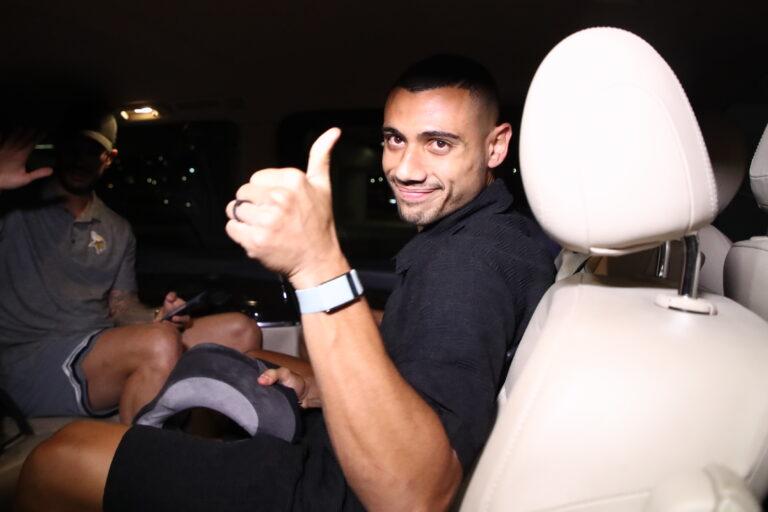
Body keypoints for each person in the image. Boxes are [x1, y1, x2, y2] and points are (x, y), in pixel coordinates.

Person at [15, 55, 554, 511]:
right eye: (395, 140)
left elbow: (413, 495)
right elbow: (424, 359)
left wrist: (317, 263)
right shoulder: (483, 236)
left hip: (331, 486)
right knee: (236, 361)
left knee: (59, 456)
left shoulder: (472, 261)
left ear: (495, 146)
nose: (406, 169)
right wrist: (320, 391)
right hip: (344, 453)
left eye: (438, 143)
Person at [0, 115, 262, 425]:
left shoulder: (116, 228)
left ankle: (204, 445)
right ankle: (138, 455)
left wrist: (159, 314)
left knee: (240, 330)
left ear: (108, 159)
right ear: (59, 149)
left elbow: (121, 306)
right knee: (159, 342)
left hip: (97, 346)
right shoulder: (14, 209)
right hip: (28, 360)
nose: (80, 160)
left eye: (92, 151)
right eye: (73, 148)